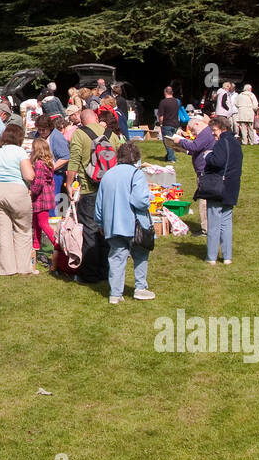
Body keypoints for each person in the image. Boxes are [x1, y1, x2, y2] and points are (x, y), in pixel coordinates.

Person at [94, 142, 154, 303]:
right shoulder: (137, 174)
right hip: (133, 224)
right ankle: (140, 288)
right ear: (136, 158)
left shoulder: (107, 174)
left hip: (112, 225)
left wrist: (100, 223)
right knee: (140, 255)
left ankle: (115, 293)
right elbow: (140, 201)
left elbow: (99, 203)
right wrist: (149, 199)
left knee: (116, 258)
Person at [0, 124, 36, 276]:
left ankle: (6, 269)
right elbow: (29, 176)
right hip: (16, 192)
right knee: (22, 229)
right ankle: (23, 268)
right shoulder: (20, 152)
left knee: (3, 231)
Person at [69, 108, 109, 284]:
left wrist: (69, 184)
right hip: (109, 189)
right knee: (106, 230)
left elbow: (74, 162)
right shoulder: (110, 133)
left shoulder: (80, 134)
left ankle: (90, 274)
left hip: (89, 188)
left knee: (90, 231)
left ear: (82, 121)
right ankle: (106, 271)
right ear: (96, 118)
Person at [201, 116, 243, 265]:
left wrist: (208, 156)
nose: (213, 134)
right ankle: (227, 257)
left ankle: (211, 257)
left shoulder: (221, 143)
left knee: (213, 222)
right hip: (232, 187)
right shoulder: (237, 144)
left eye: (214, 130)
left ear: (222, 128)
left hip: (218, 188)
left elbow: (217, 161)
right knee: (226, 223)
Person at [173, 115, 214, 235]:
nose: (193, 133)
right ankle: (206, 227)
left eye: (193, 130)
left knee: (204, 201)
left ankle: (206, 229)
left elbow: (195, 146)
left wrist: (180, 141)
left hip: (204, 172)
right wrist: (182, 149)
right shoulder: (206, 133)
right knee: (204, 200)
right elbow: (197, 148)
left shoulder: (205, 133)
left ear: (196, 124)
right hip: (203, 171)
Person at [29, 138, 58, 265]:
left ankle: (57, 245)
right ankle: (35, 247)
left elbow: (38, 183)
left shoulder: (40, 164)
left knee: (42, 223)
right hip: (43, 197)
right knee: (35, 223)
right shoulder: (48, 163)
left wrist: (31, 192)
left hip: (41, 197)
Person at [37, 114, 69, 216]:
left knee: (53, 201)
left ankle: (54, 224)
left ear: (50, 128)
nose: (41, 132)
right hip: (42, 172)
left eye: (43, 130)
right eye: (39, 130)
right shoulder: (38, 135)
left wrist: (51, 168)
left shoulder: (57, 137)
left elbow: (65, 157)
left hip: (56, 174)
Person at [157, 86, 181, 162]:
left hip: (167, 124)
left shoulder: (163, 102)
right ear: (172, 92)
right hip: (175, 124)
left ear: (165, 92)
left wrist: (161, 124)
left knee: (167, 142)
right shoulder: (177, 102)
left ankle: (171, 158)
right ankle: (168, 156)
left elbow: (161, 116)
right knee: (171, 141)